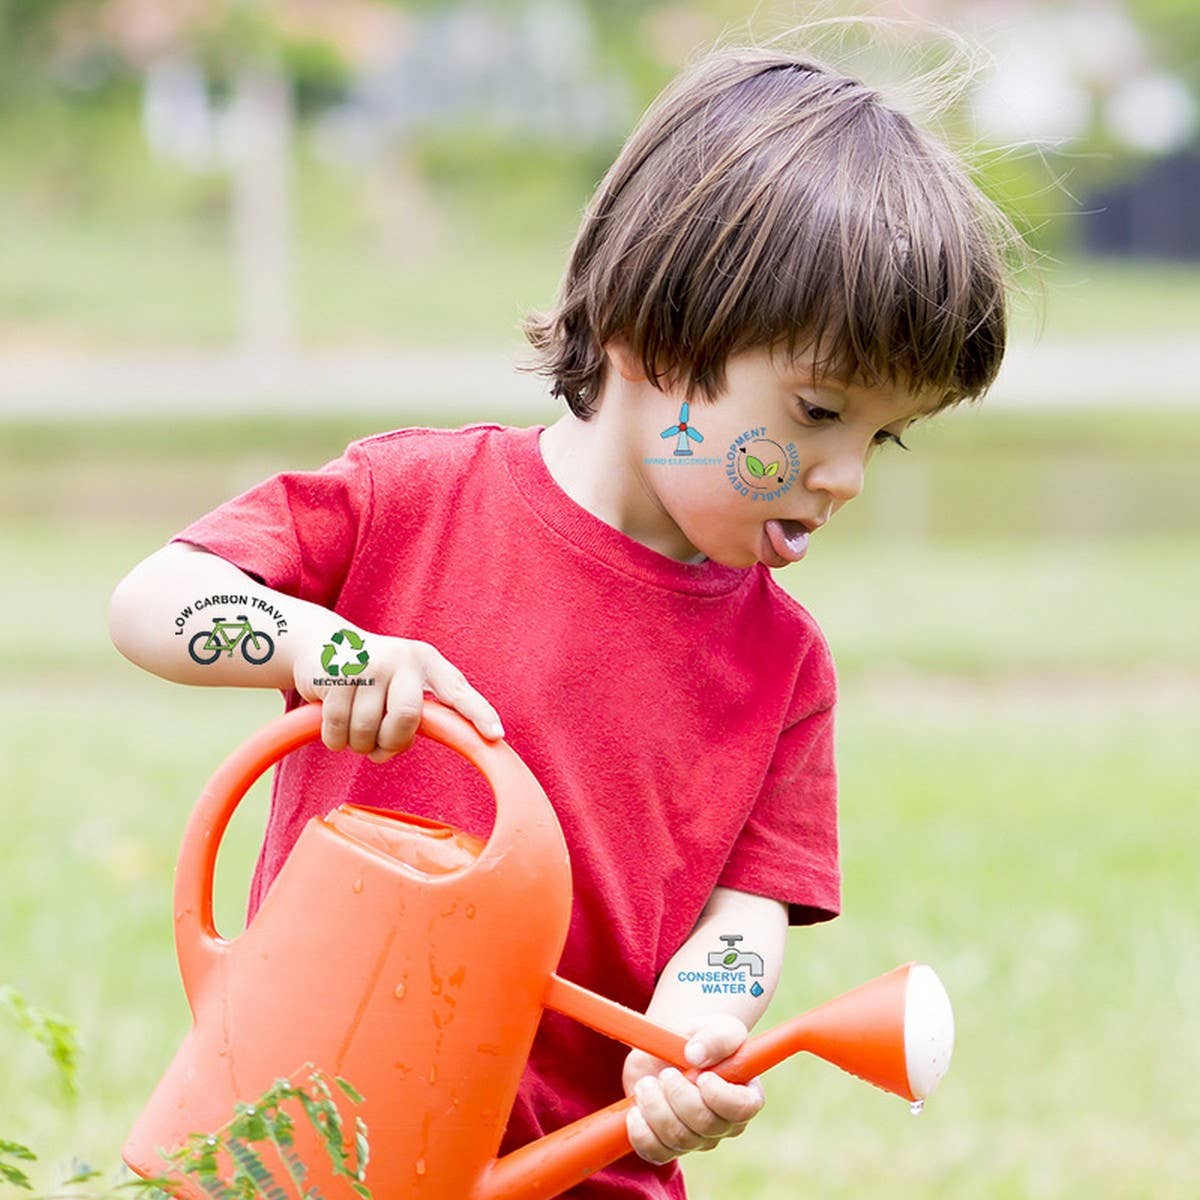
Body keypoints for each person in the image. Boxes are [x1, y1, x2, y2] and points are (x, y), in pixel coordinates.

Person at [109, 36, 1016, 1200]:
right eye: (818, 410)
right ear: (652, 339)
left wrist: (689, 1044)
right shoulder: (411, 501)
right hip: (308, 1143)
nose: (843, 474)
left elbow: (745, 920)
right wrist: (329, 650)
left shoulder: (783, 669)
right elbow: (154, 603)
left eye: (879, 436)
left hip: (569, 1175)